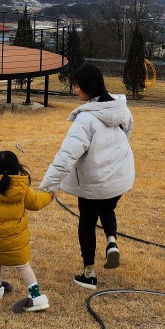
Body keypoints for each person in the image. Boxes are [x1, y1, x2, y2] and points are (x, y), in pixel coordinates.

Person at [40, 63, 134, 289]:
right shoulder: (121, 109)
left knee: (87, 222)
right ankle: (112, 242)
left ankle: (88, 274)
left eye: (76, 86)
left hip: (94, 184)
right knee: (108, 208)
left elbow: (66, 156)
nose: (75, 90)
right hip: (119, 179)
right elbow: (127, 132)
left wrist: (47, 187)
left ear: (86, 87)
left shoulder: (86, 119)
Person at [0, 150, 54, 313]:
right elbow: (36, 203)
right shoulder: (23, 190)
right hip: (17, 244)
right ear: (17, 168)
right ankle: (36, 296)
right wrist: (49, 197)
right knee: (23, 266)